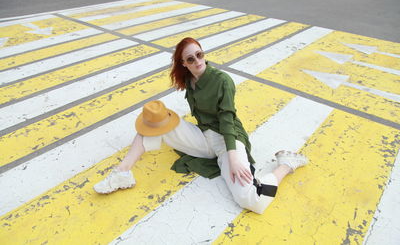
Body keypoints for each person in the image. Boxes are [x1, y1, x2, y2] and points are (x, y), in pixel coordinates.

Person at [93, 37, 308, 214]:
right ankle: (122, 173)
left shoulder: (222, 80)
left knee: (251, 200)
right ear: (183, 64)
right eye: (190, 58)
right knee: (154, 121)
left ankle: (286, 164)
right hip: (204, 138)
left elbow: (227, 119)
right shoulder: (189, 80)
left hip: (227, 139)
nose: (197, 61)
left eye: (200, 54)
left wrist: (232, 156)